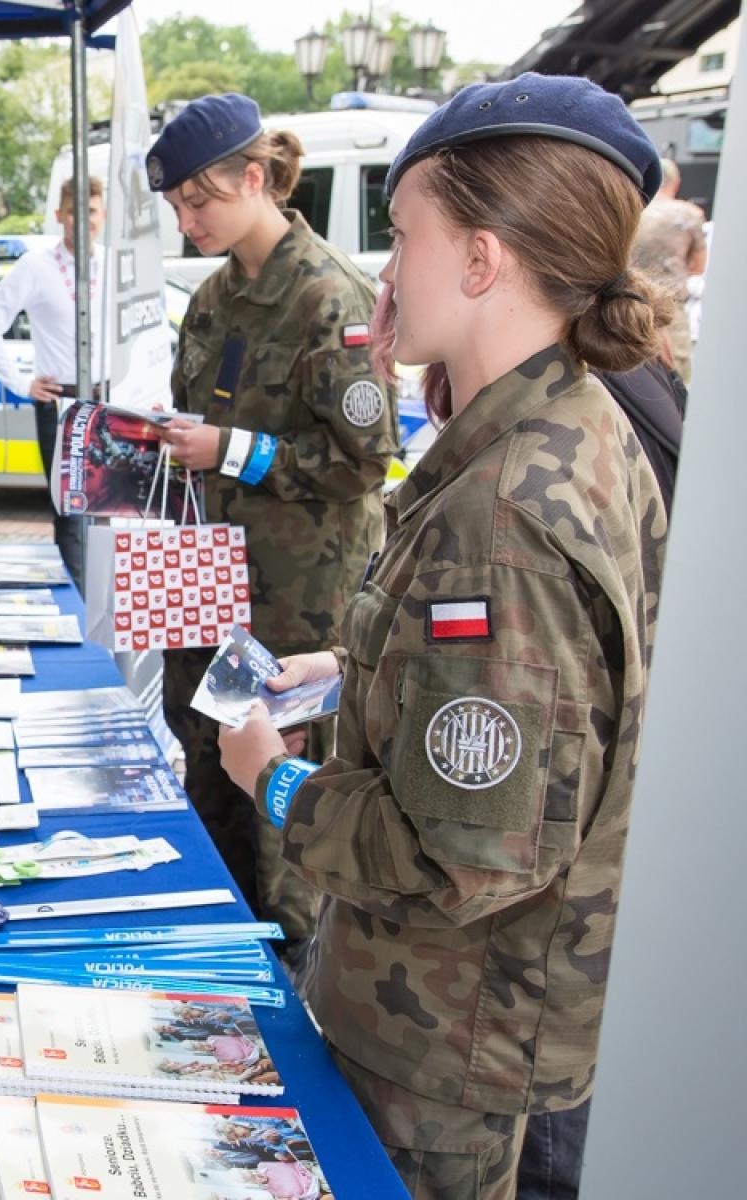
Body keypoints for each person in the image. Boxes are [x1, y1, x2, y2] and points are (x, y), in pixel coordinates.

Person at [217, 73, 670, 1199]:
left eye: (402, 232)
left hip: (449, 1039)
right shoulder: (569, 423)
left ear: (480, 260)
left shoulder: (504, 510)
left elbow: (464, 853)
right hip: (479, 1019)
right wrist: (359, 667)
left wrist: (277, 789)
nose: (385, 266)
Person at [142, 93, 398, 953]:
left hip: (296, 603)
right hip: (202, 583)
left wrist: (233, 450)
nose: (188, 219)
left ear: (255, 179)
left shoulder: (329, 297)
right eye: (176, 206)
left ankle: (291, 1001)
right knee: (207, 779)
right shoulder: (213, 298)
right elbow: (199, 426)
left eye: (199, 200)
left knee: (283, 815)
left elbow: (364, 461)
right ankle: (219, 969)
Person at [0, 174, 103, 586]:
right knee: (70, 514)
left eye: (94, 212)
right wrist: (20, 381)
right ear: (61, 215)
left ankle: (108, 613)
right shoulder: (37, 266)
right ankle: (81, 615)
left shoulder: (116, 263)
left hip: (111, 401)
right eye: (77, 213)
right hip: (61, 403)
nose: (86, 221)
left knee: (110, 515)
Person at [631, 191, 707, 383]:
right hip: (669, 311)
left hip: (626, 304)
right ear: (676, 184)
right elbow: (699, 266)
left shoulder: (632, 206)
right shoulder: (687, 214)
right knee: (677, 378)